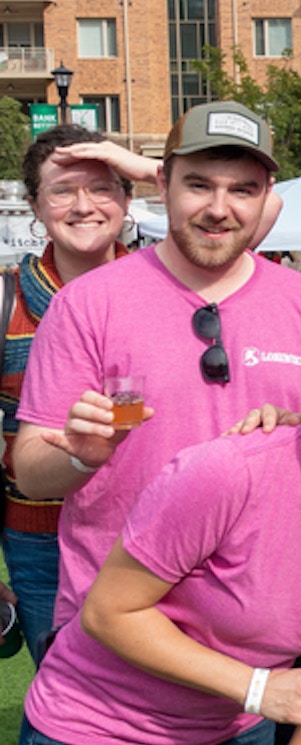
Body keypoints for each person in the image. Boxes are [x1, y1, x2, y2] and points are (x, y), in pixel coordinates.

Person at [20, 302, 301, 745]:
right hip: (100, 724)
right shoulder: (229, 472)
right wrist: (258, 688)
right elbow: (107, 613)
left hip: (237, 728)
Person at [13, 100, 301, 637]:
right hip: (114, 633)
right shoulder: (88, 303)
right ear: (161, 185)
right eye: (199, 185)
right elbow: (29, 468)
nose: (219, 208)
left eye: (242, 190)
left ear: (264, 198)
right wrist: (81, 458)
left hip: (256, 629)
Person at [0, 126, 139, 667]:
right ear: (34, 205)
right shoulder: (8, 301)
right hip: (42, 544)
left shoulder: (171, 289)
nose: (84, 205)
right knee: (71, 700)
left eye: (103, 187)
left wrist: (143, 167)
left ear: (128, 201)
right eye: (62, 190)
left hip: (151, 530)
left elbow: (253, 212)